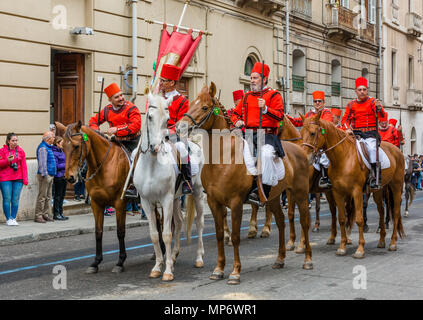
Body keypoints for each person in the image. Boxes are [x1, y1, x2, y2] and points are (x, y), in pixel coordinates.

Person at [230, 62, 285, 205]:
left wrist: (266, 109)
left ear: (264, 79)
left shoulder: (274, 94)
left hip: (267, 135)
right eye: (251, 78)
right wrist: (237, 121)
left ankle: (263, 191)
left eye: (255, 78)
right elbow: (235, 114)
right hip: (248, 134)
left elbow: (280, 116)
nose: (252, 81)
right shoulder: (246, 96)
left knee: (265, 154)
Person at [89, 82, 141, 198]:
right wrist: (96, 131)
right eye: (116, 97)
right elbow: (93, 121)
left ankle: (133, 185)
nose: (121, 98)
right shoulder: (107, 110)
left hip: (133, 141)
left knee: (133, 157)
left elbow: (135, 126)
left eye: (121, 95)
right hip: (116, 141)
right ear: (110, 99)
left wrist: (116, 129)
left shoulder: (131, 108)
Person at [341, 77, 387, 189]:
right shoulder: (351, 104)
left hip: (370, 134)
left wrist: (379, 108)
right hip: (356, 134)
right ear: (355, 91)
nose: (362, 92)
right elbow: (344, 120)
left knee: (371, 149)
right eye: (359, 89)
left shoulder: (373, 102)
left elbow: (383, 119)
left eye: (364, 89)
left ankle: (374, 176)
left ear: (367, 90)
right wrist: (347, 128)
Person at [286, 91, 334, 188]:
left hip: (323, 141)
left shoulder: (327, 113)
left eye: (319, 101)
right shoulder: (309, 114)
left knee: (324, 157)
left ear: (323, 102)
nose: (317, 103)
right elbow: (297, 122)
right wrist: (286, 117)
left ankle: (325, 177)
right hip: (311, 141)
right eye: (315, 101)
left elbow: (327, 126)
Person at [159, 64, 192, 194]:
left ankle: (186, 180)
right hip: (157, 134)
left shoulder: (182, 100)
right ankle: (134, 182)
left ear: (172, 82)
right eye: (160, 80)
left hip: (174, 136)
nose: (160, 83)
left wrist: (167, 131)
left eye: (163, 80)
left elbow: (181, 124)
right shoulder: (157, 98)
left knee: (182, 149)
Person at [0, 133, 28, 226]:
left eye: (16, 140)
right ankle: (8, 219)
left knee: (15, 199)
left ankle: (13, 218)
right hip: (5, 178)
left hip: (18, 178)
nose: (15, 142)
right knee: (7, 199)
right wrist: (7, 160)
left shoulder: (20, 151)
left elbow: (24, 166)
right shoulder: (2, 151)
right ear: (8, 141)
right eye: (13, 140)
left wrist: (25, 179)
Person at [34, 131, 56, 223]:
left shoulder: (48, 147)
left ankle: (45, 214)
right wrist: (45, 175)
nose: (54, 138)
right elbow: (42, 163)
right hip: (45, 175)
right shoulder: (43, 148)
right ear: (48, 139)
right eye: (53, 137)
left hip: (50, 174)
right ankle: (38, 215)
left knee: (48, 196)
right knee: (42, 196)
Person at [52, 136, 69, 221]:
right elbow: (56, 165)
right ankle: (56, 213)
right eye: (62, 143)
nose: (63, 144)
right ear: (57, 143)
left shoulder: (62, 151)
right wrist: (66, 165)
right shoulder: (54, 152)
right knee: (57, 196)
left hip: (64, 176)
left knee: (62, 196)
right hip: (58, 177)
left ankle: (61, 213)